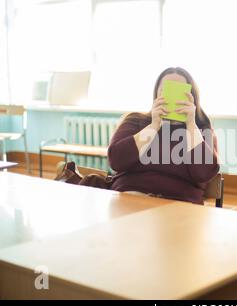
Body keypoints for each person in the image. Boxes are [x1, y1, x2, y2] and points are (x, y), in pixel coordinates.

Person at [57, 67, 219, 205]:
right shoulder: (136, 121)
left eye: (180, 91)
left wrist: (191, 124)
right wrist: (154, 126)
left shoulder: (201, 129)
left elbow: (203, 174)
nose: (172, 97)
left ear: (192, 97)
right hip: (129, 199)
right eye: (166, 90)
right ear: (156, 94)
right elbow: (116, 161)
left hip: (178, 206)